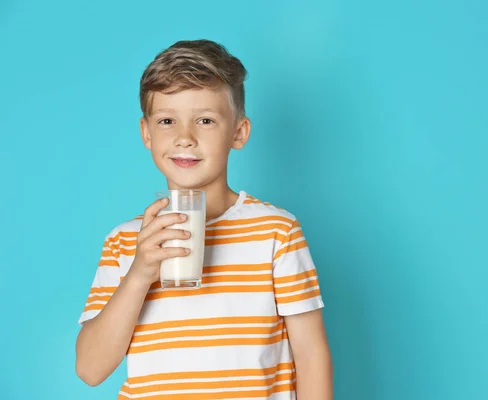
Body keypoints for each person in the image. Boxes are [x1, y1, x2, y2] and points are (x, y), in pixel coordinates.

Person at [75, 39, 333, 400]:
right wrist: (140, 273)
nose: (185, 138)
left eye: (206, 120)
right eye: (167, 120)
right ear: (147, 133)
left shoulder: (276, 231)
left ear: (238, 133)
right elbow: (89, 369)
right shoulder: (124, 241)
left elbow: (311, 354)